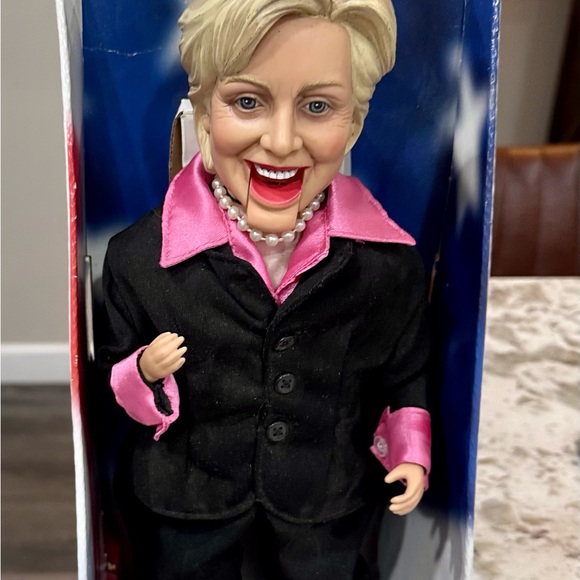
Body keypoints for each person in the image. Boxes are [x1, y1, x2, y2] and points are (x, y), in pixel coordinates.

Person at [101, 0, 431, 577]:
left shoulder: (387, 266)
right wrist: (144, 374)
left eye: (317, 107)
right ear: (205, 111)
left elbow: (405, 372)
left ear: (354, 122)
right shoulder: (140, 259)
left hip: (322, 514)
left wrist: (409, 450)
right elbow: (112, 373)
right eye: (247, 102)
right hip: (188, 512)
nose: (280, 142)